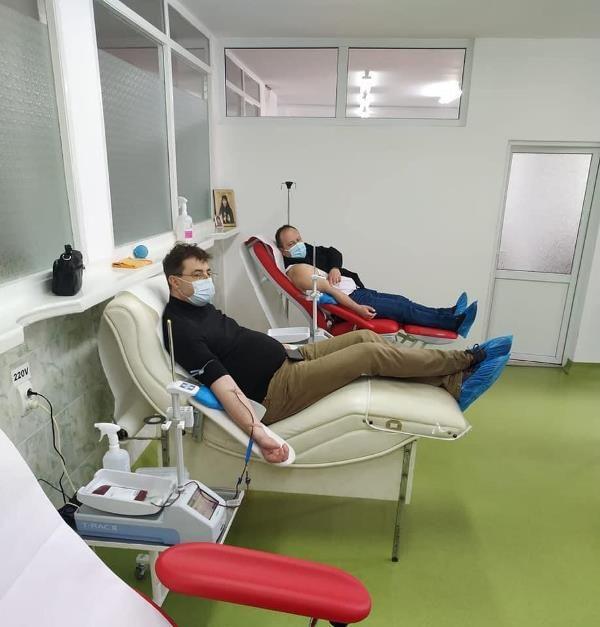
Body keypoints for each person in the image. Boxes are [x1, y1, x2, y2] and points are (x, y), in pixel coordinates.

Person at [162, 243, 512, 464]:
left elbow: (237, 344)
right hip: (277, 390)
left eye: (207, 272)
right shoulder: (180, 328)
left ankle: (449, 383)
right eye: (197, 274)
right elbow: (224, 386)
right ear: (174, 281)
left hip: (291, 357)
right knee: (368, 356)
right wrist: (260, 435)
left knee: (365, 337)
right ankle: (464, 361)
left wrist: (285, 351)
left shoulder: (198, 308)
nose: (206, 280)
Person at [275, 225, 477, 336]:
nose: (299, 244)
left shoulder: (308, 253)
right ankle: (455, 324)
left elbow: (332, 254)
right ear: (283, 250)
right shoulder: (297, 271)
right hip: (353, 299)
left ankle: (449, 312)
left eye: (299, 239)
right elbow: (332, 292)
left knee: (402, 302)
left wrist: (335, 268)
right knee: (404, 309)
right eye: (292, 243)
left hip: (357, 291)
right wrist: (358, 309)